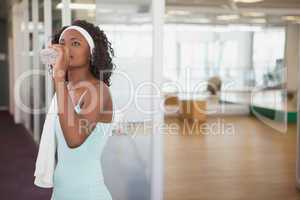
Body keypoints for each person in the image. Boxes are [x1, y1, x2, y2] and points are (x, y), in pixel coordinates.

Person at [49, 19, 115, 200]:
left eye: (75, 43)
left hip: (88, 193)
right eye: (61, 44)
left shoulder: (99, 90)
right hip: (61, 191)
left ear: (91, 53)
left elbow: (74, 139)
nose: (65, 49)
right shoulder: (65, 89)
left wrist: (59, 76)